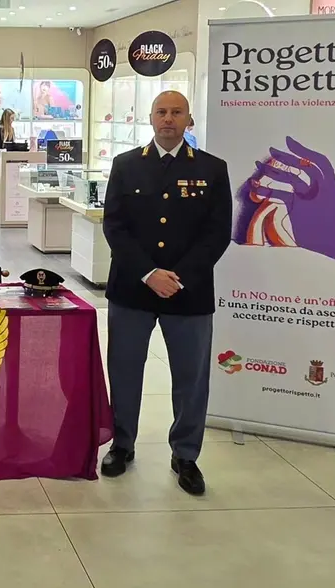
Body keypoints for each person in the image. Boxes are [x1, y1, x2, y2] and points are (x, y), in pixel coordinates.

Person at [100, 91, 232, 496]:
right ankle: (122, 444)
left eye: (177, 112)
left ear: (188, 119)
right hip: (132, 290)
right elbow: (115, 227)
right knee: (124, 370)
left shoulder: (212, 169)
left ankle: (186, 454)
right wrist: (147, 273)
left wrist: (177, 277)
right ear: (150, 118)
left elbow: (217, 234)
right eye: (162, 112)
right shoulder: (125, 166)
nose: (168, 119)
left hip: (187, 294)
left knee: (191, 378)